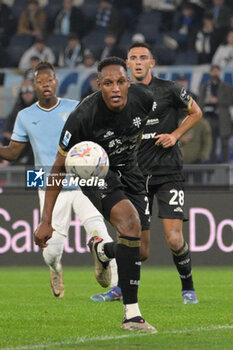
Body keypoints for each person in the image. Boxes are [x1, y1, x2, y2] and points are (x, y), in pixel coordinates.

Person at [34, 57, 157, 333]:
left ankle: (101, 249)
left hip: (131, 169)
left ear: (128, 83)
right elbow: (57, 169)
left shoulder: (144, 98)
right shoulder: (82, 117)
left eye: (121, 82)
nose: (115, 88)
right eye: (108, 83)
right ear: (99, 85)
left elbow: (135, 134)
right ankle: (132, 316)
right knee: (130, 224)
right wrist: (46, 220)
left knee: (142, 250)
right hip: (96, 173)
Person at [91, 43, 202, 304]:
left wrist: (175, 135)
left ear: (152, 62)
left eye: (143, 58)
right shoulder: (121, 95)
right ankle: (110, 265)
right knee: (138, 249)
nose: (138, 62)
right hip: (135, 176)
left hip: (167, 173)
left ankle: (188, 289)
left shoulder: (170, 89)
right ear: (127, 64)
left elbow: (196, 112)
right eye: (133, 58)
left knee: (175, 239)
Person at [0, 61, 117, 299]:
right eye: (40, 81)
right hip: (47, 182)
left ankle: (118, 288)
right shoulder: (25, 116)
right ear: (34, 85)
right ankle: (55, 269)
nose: (45, 85)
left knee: (100, 232)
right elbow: (13, 152)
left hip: (83, 181)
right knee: (50, 253)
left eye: (49, 80)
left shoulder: (75, 107)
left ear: (56, 81)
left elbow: (95, 138)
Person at [198, 64, 233, 163]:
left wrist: (217, 100)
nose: (215, 73)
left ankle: (225, 166)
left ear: (220, 72)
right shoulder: (205, 87)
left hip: (223, 119)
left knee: (224, 143)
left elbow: (230, 101)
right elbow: (200, 103)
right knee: (211, 144)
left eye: (217, 71)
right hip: (209, 118)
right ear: (210, 72)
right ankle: (212, 167)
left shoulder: (227, 87)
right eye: (213, 71)